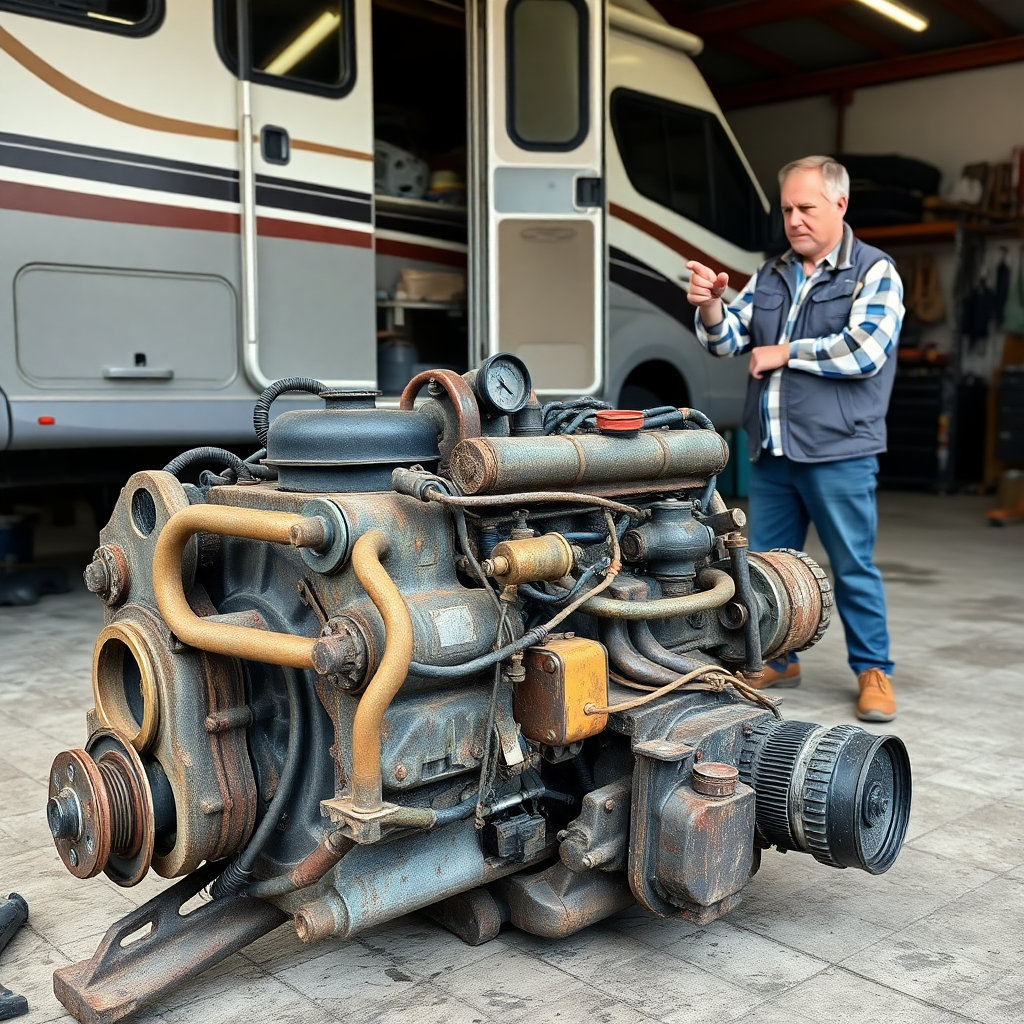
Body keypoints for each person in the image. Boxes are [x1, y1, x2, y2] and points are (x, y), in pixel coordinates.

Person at [685, 155, 904, 722]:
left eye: (806, 207)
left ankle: (873, 669)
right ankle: (779, 657)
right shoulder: (773, 274)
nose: (795, 219)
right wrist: (710, 301)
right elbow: (726, 339)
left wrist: (786, 352)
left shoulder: (873, 271)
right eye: (786, 208)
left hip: (839, 450)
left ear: (840, 204)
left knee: (851, 564)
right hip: (774, 453)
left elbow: (865, 350)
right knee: (770, 565)